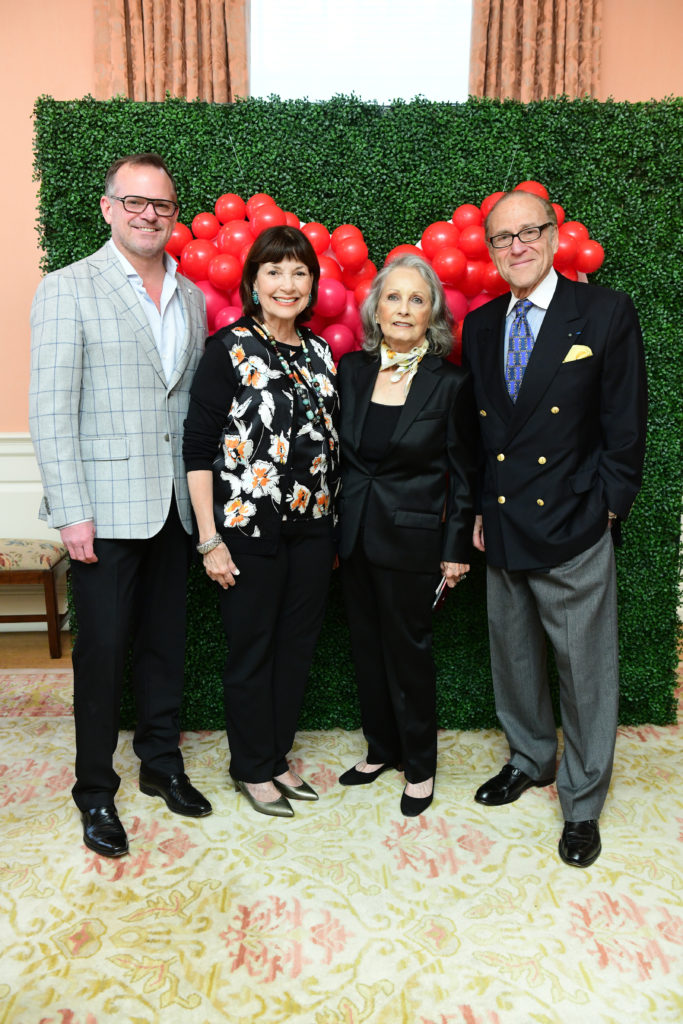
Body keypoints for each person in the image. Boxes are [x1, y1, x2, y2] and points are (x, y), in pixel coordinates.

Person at [29, 153, 213, 859]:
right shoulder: (67, 288)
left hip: (174, 506)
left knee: (165, 648)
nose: (147, 215)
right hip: (101, 513)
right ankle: (95, 792)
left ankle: (160, 765)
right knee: (102, 656)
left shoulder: (191, 296)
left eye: (161, 205)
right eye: (134, 202)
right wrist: (71, 511)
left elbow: (189, 407)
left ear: (173, 215)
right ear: (108, 208)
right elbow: (50, 409)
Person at [462, 190, 647, 868]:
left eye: (528, 232)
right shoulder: (480, 326)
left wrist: (606, 508)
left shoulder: (602, 312)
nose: (516, 246)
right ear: (489, 249)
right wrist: (482, 507)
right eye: (502, 238)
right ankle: (531, 757)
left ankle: (582, 800)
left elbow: (624, 428)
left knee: (584, 671)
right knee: (512, 658)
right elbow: (479, 435)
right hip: (506, 519)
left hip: (573, 522)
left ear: (554, 235)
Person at [183, 225, 340, 819]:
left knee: (296, 650)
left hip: (312, 532)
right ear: (252, 282)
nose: (287, 283)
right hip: (245, 532)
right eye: (274, 271)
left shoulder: (321, 353)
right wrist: (208, 541)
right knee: (252, 651)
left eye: (299, 272)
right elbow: (197, 450)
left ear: (312, 285)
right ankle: (250, 768)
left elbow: (330, 444)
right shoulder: (227, 350)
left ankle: (274, 757)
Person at [336, 254, 476, 816]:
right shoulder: (351, 370)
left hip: (414, 542)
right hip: (353, 538)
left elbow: (465, 475)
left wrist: (456, 549)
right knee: (367, 651)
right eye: (394, 297)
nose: (403, 308)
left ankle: (419, 766)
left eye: (417, 300)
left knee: (409, 656)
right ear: (375, 308)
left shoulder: (451, 383)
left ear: (432, 314)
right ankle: (380, 749)